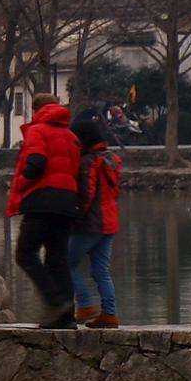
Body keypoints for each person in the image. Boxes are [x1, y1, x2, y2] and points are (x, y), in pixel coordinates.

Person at [4, 96, 83, 329]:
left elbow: (36, 162)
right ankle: (67, 317)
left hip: (42, 201)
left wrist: (21, 182)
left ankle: (56, 302)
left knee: (25, 254)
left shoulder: (37, 130)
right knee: (57, 259)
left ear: (37, 109)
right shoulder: (71, 137)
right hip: (67, 203)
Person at [69, 110, 123, 330]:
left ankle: (84, 304)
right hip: (110, 222)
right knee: (101, 270)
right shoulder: (111, 159)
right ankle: (109, 314)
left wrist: (75, 217)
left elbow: (87, 193)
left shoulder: (88, 162)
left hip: (91, 223)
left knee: (66, 262)